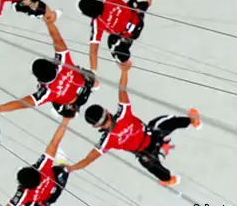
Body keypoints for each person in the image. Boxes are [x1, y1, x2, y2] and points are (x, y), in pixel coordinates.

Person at [68, 61, 200, 187]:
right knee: (165, 123)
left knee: (149, 165)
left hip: (146, 153)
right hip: (153, 135)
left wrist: (71, 168)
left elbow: (88, 160)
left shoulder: (106, 141)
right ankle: (192, 120)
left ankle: (169, 179)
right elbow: (122, 90)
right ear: (107, 112)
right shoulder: (123, 113)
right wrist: (124, 71)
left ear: (96, 126)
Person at [0, 8, 97, 118]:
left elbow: (22, 104)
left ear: (41, 80)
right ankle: (96, 85)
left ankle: (73, 112)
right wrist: (49, 22)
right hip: (85, 89)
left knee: (67, 113)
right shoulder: (63, 63)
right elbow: (57, 39)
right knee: (91, 78)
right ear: (52, 65)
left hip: (70, 105)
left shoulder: (46, 93)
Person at [0, 118, 71, 206]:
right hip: (51, 193)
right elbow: (54, 142)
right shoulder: (42, 167)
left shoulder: (23, 194)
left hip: (46, 198)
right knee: (64, 169)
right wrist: (66, 120)